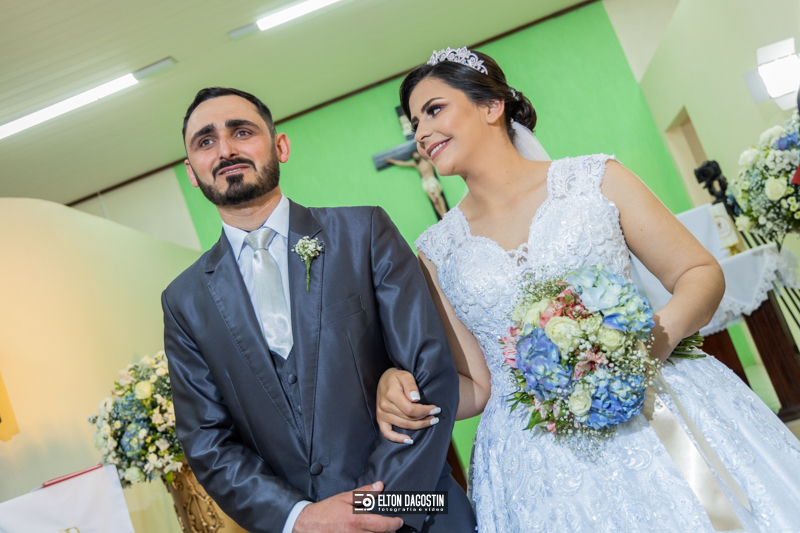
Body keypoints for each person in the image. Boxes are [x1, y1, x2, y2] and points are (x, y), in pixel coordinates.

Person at [375, 48, 800, 531]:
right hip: (538, 460)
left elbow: (699, 272)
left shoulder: (596, 180)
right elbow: (477, 386)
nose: (421, 133)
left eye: (434, 110)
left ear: (492, 106)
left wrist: (647, 344)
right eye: (416, 123)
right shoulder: (437, 249)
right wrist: (401, 390)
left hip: (653, 401)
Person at [162, 87, 476, 533]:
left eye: (242, 132)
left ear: (280, 146)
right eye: (206, 141)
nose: (225, 150)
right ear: (192, 171)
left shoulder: (364, 232)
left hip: (418, 506)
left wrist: (377, 506)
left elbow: (429, 369)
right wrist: (301, 519)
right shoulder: (184, 301)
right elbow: (207, 442)